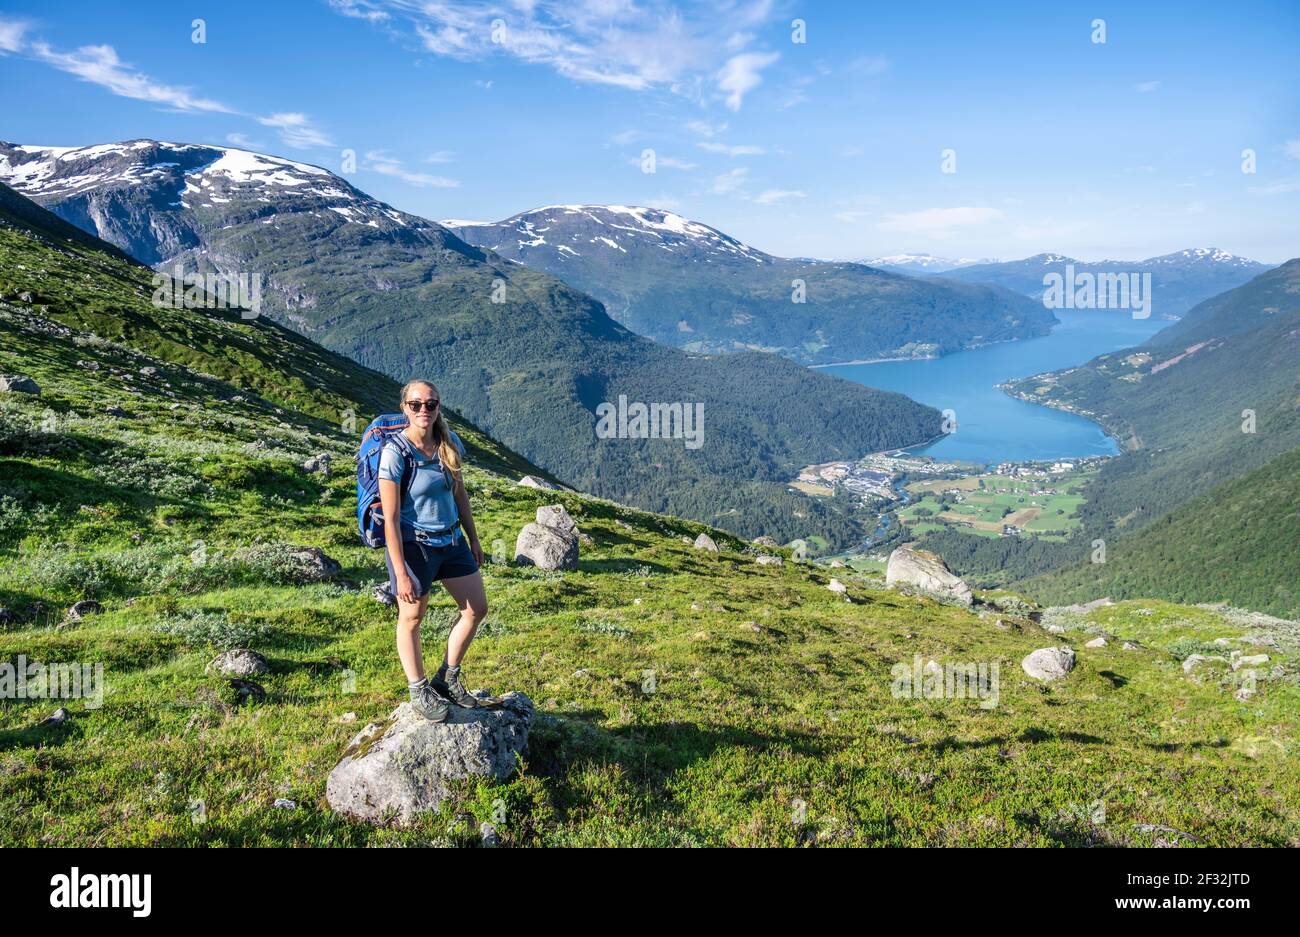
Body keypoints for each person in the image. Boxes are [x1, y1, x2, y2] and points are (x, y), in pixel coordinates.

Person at [378, 379, 495, 721]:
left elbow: (460, 496)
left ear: (439, 406)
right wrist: (400, 572)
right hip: (415, 546)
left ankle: (447, 677)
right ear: (405, 408)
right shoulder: (395, 453)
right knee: (412, 617)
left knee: (476, 608)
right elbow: (391, 518)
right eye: (416, 404)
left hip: (452, 541)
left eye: (431, 404)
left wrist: (473, 538)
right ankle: (418, 689)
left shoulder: (448, 443)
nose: (424, 410)